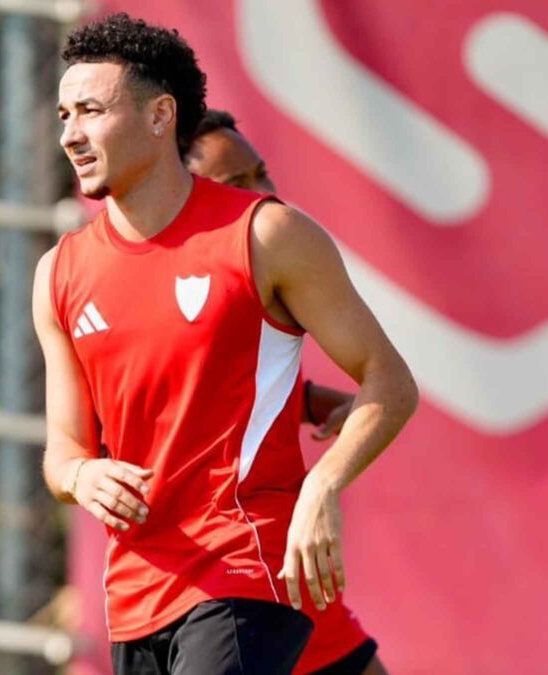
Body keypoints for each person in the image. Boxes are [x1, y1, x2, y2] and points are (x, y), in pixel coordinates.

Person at [33, 13, 418, 675]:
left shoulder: (268, 235)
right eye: (65, 115)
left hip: (248, 563)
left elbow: (390, 380)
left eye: (91, 111)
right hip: (138, 592)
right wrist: (79, 475)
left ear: (160, 115)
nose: (70, 134)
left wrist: (322, 486)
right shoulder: (58, 274)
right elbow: (65, 448)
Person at [187, 109, 391, 675]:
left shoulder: (269, 259)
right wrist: (80, 472)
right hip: (201, 578)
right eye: (237, 183)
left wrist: (326, 410)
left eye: (262, 173)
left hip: (279, 558)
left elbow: (240, 391)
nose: (263, 196)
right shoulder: (136, 287)